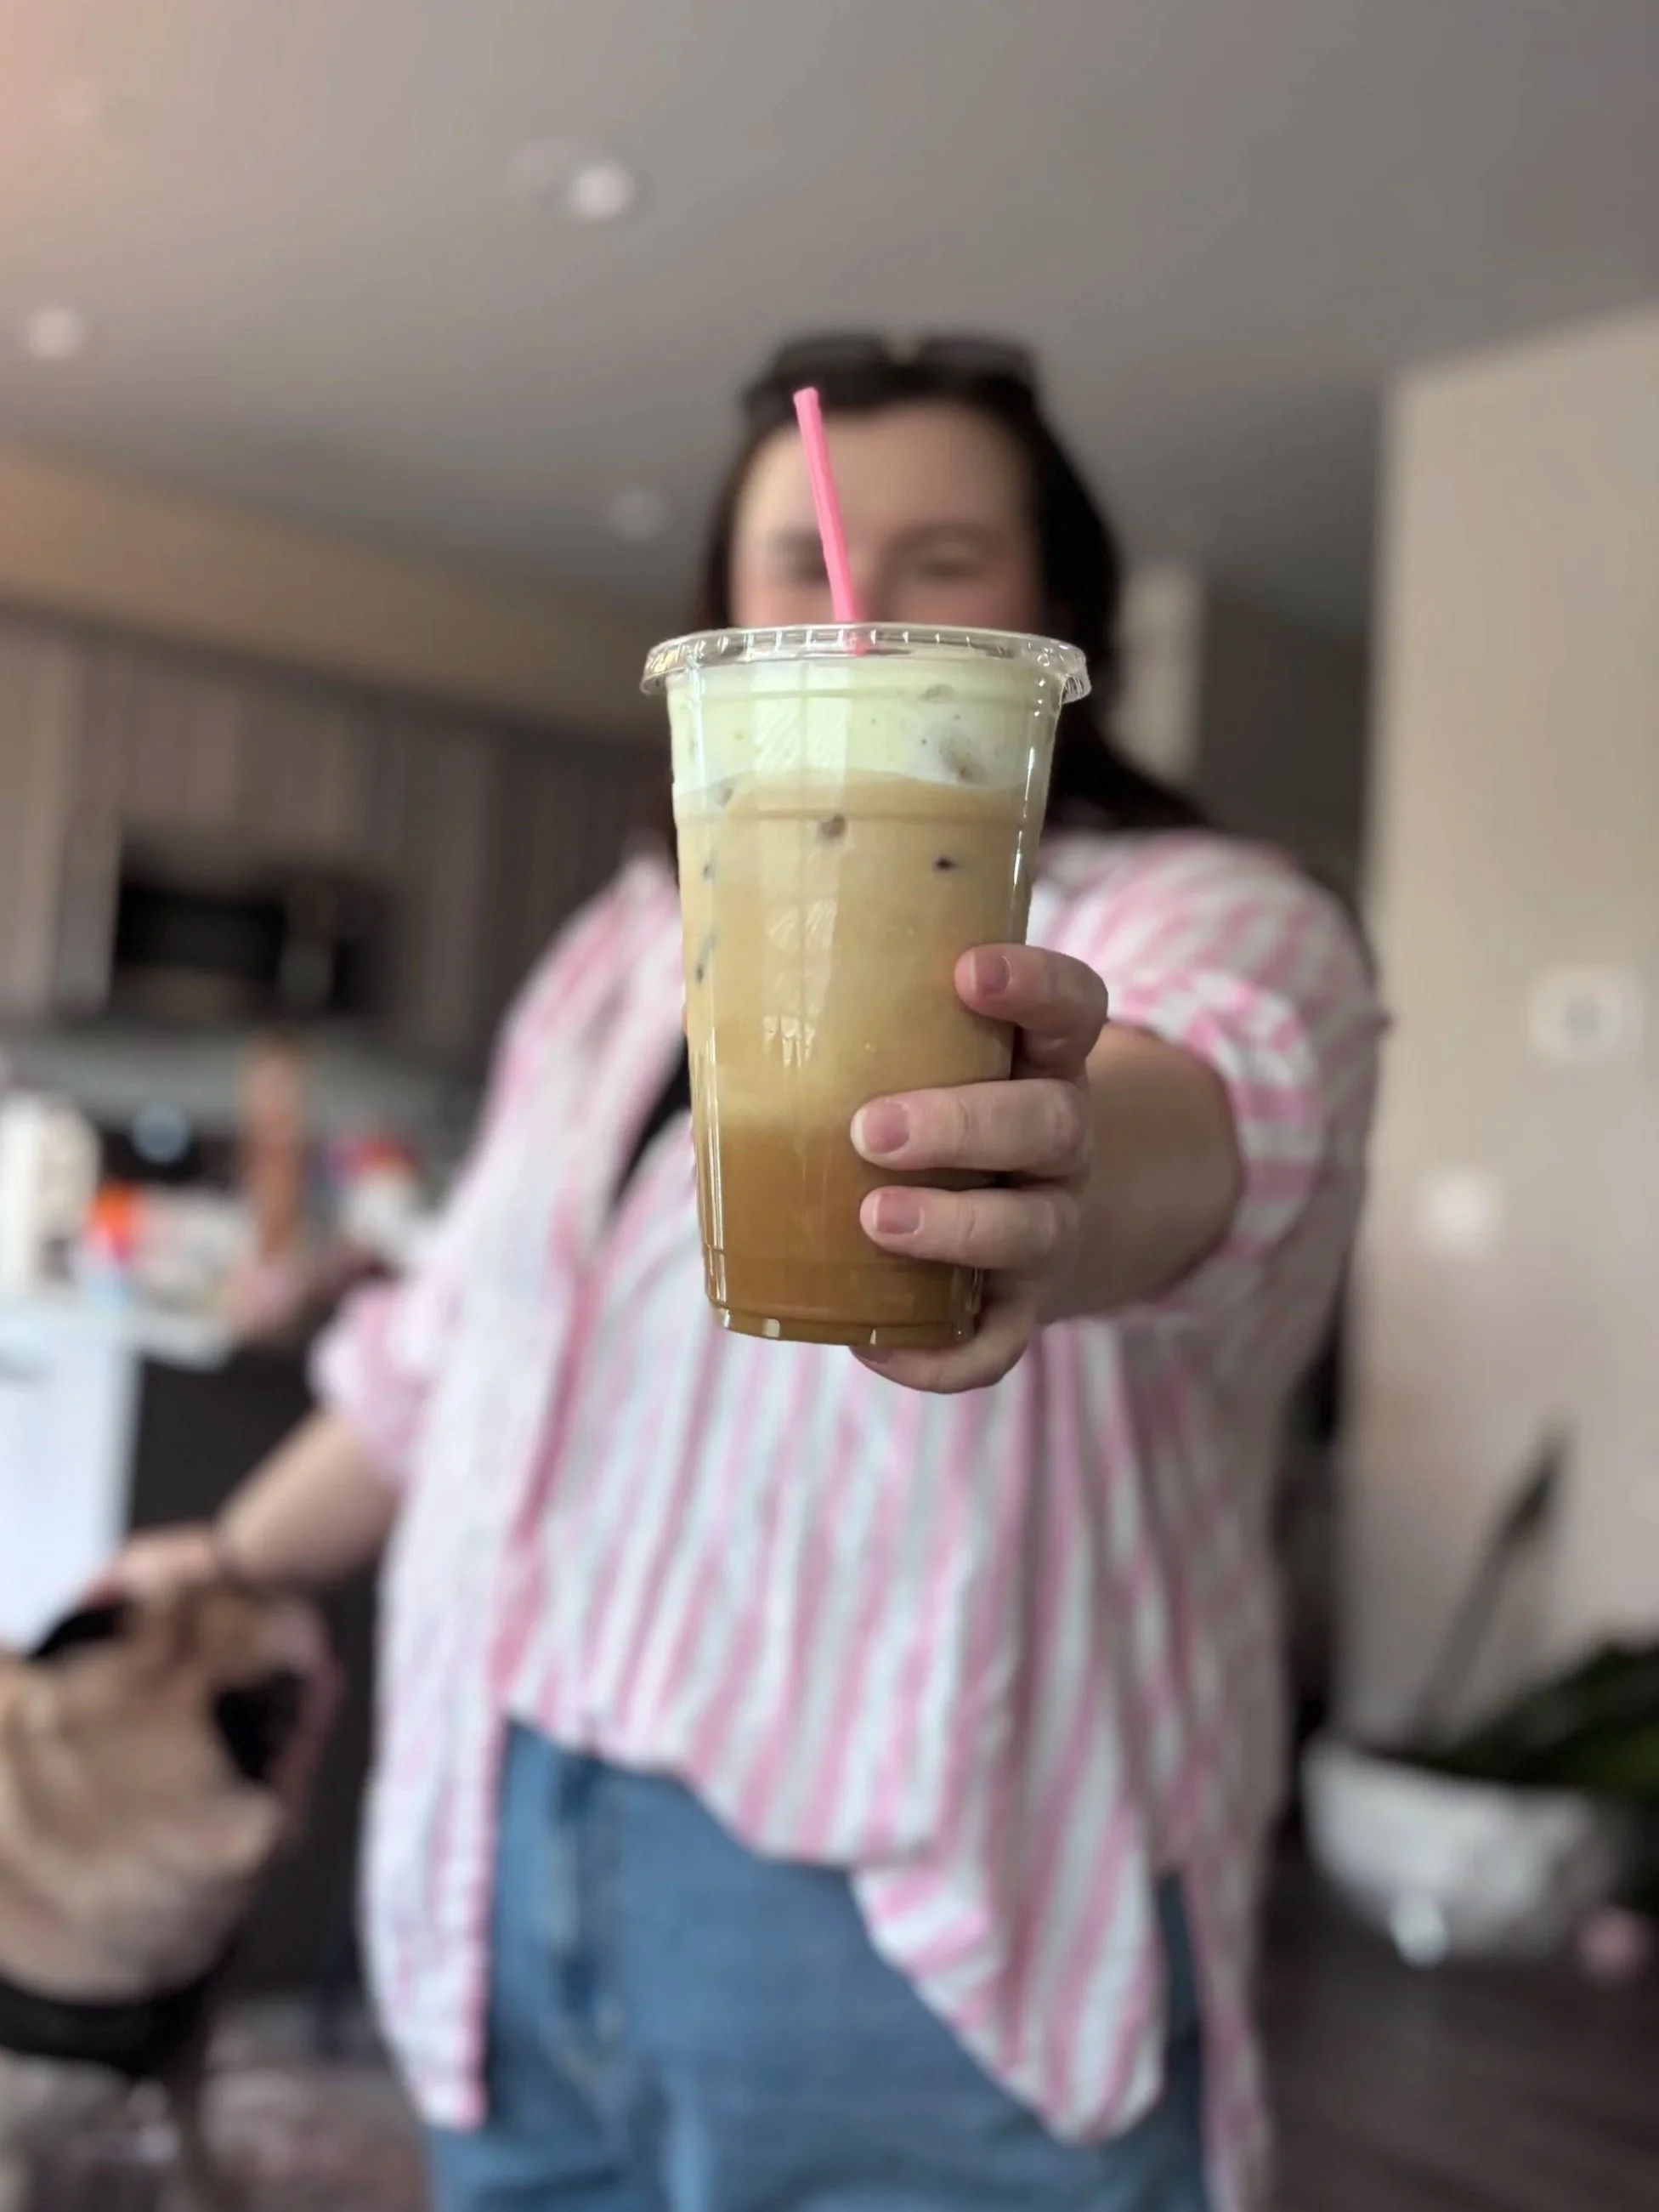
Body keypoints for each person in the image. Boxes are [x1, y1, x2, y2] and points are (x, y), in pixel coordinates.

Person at [109, 337, 1382, 2212]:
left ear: (1055, 611)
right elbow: (441, 1352)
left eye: (939, 556)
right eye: (799, 554)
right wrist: (218, 1560)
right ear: (726, 615)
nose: (854, 590)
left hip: (916, 1932)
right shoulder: (616, 958)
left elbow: (1212, 1112)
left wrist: (1056, 1151)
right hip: (496, 1833)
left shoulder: (1204, 911)